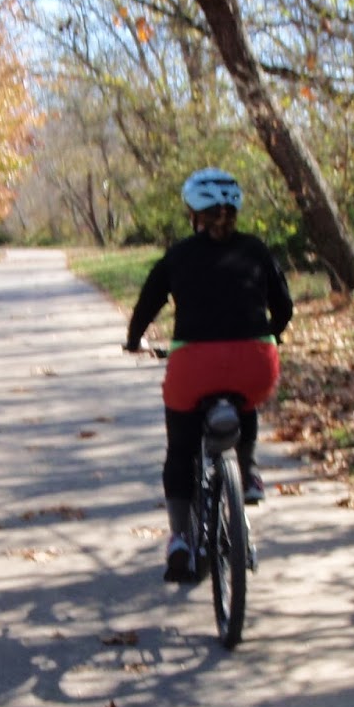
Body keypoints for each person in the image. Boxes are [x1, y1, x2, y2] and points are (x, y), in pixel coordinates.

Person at [123, 167, 294, 582]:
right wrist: (268, 335)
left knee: (181, 448)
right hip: (256, 360)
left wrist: (133, 341)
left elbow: (146, 307)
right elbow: (284, 307)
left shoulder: (177, 256)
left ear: (193, 214)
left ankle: (180, 537)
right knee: (245, 398)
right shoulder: (256, 250)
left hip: (193, 366)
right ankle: (249, 473)